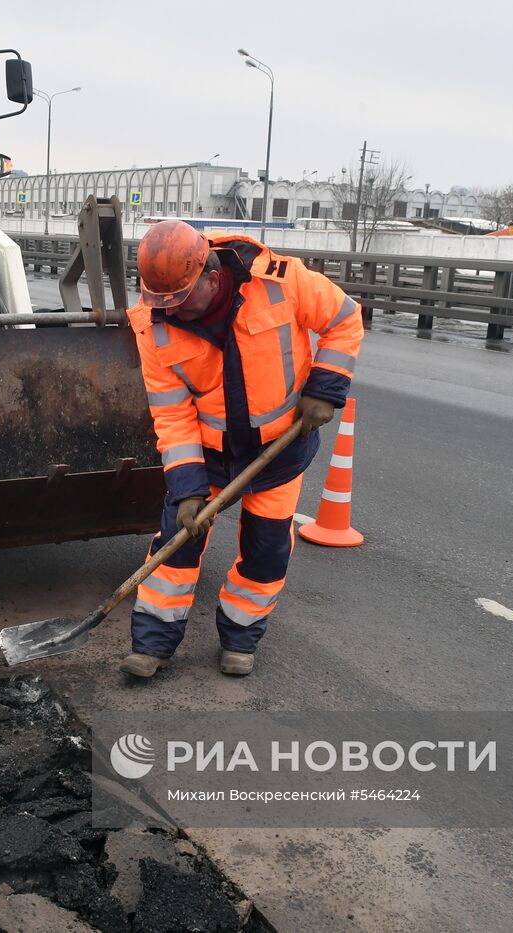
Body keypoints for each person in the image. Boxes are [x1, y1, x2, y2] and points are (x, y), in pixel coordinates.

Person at [122, 220, 363, 679]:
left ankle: (239, 638)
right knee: (175, 546)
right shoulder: (153, 326)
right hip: (208, 457)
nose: (171, 310)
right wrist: (190, 489)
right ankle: (152, 644)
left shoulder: (280, 280)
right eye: (161, 301)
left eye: (179, 299)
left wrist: (325, 388)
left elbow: (343, 318)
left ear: (211, 275)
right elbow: (172, 416)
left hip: (279, 449)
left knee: (266, 549)